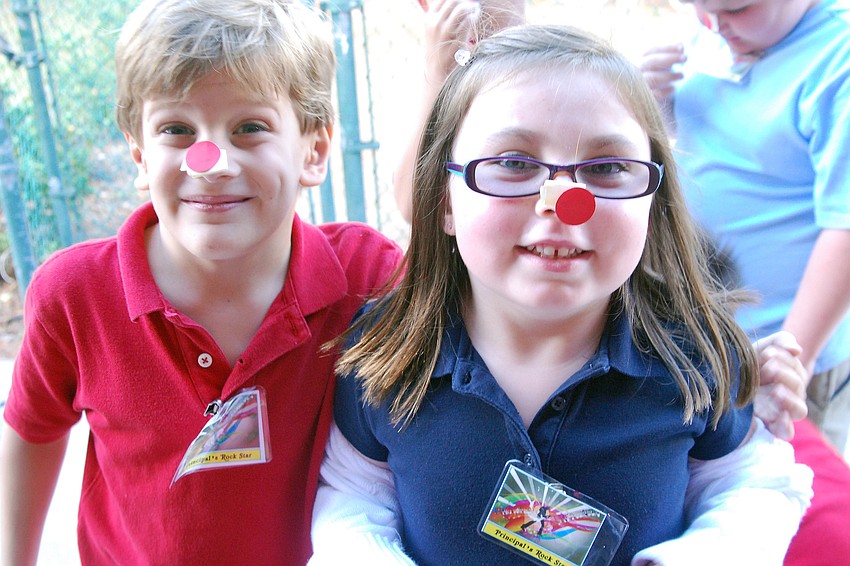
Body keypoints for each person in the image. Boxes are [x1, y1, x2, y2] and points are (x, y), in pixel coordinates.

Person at [309, 24, 812, 565]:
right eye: (513, 163)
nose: (563, 201)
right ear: (446, 202)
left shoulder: (694, 354)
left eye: (606, 168)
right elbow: (354, 493)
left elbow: (752, 482)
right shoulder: (386, 351)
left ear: (652, 199)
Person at [0, 0, 401, 564]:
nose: (210, 163)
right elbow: (34, 430)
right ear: (140, 156)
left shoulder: (367, 276)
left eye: (250, 127)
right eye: (178, 130)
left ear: (314, 151)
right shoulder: (72, 295)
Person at [640, 0, 850, 455]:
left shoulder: (839, 59)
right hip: (704, 332)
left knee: (793, 486)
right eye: (698, 7)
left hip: (782, 339)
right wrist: (650, 105)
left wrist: (796, 358)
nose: (715, 25)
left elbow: (845, 227)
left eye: (737, 8)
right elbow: (719, 140)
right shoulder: (714, 31)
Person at [393, 0, 525, 221]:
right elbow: (414, 209)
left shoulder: (547, 73)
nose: (472, 12)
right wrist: (438, 75)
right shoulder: (421, 83)